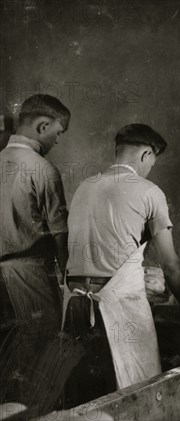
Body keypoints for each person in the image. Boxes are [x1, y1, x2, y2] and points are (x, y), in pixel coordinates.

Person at [62, 123, 180, 407]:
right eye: (152, 161)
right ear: (146, 154)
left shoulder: (84, 187)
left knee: (87, 394)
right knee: (137, 392)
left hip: (75, 303)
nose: (151, 168)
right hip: (118, 306)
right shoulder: (150, 192)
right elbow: (170, 264)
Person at [0, 94, 71, 410]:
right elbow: (60, 235)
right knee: (40, 349)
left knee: (7, 350)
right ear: (43, 125)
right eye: (57, 133)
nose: (57, 140)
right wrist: (68, 277)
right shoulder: (43, 169)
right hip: (30, 272)